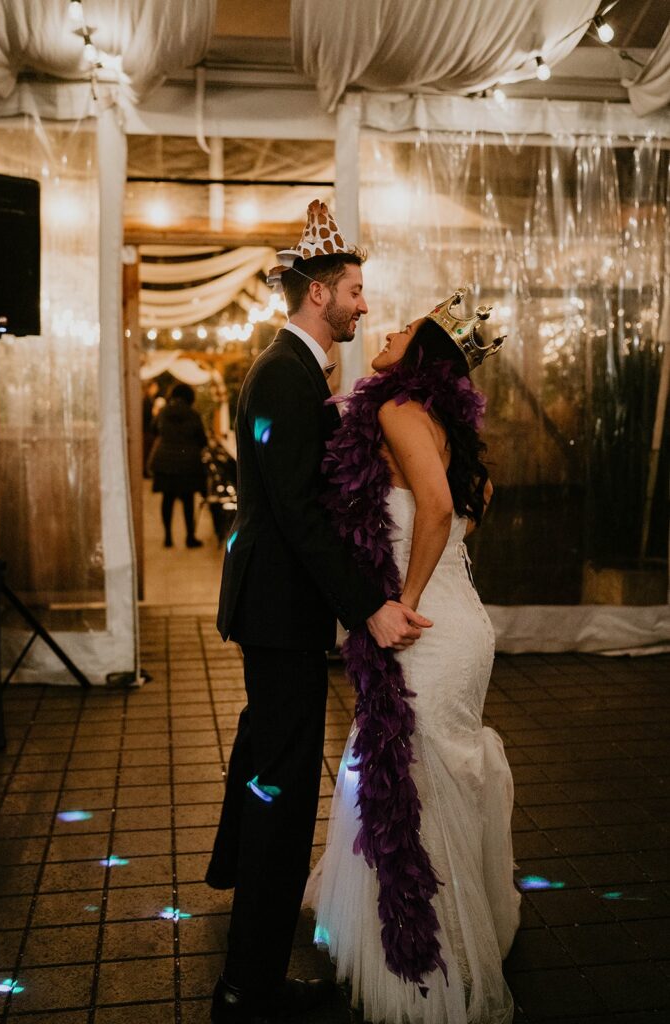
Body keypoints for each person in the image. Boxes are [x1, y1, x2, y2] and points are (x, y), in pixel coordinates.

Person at [206, 201, 432, 1024]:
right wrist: (370, 604)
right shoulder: (280, 372)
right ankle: (249, 987)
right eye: (355, 290)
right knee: (283, 789)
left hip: (272, 609)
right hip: (277, 611)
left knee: (264, 753)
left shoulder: (298, 375)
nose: (364, 306)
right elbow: (297, 511)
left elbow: (296, 479)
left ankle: (236, 913)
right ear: (316, 295)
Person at [306, 289, 521, 1023]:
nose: (387, 329)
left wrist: (402, 596)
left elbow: (433, 510)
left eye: (404, 328)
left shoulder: (398, 409)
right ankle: (463, 930)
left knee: (411, 779)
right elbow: (472, 501)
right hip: (462, 623)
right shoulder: (432, 419)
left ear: (423, 353)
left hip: (425, 624)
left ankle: (428, 962)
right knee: (427, 769)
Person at [150, 381, 208, 548]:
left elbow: (153, 429)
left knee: (167, 499)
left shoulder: (163, 412)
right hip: (187, 464)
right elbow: (202, 440)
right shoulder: (193, 414)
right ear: (189, 397)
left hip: (165, 462)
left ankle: (167, 537)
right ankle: (190, 537)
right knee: (188, 500)